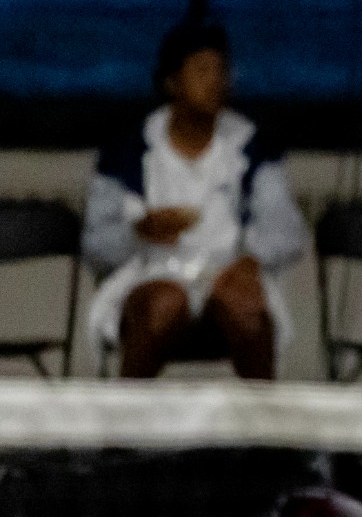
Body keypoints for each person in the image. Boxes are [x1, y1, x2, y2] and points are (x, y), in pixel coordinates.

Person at [83, 20, 307, 379]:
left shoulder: (252, 148)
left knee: (245, 307)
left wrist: (251, 258)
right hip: (151, 273)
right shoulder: (128, 152)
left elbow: (287, 230)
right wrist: (138, 231)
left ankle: (264, 427)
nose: (216, 81)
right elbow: (95, 245)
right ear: (172, 83)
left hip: (229, 274)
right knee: (163, 304)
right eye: (202, 71)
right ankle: (125, 427)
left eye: (222, 70)